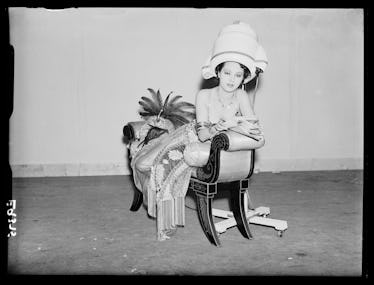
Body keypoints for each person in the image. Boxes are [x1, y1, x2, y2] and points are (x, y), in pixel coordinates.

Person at [129, 21, 268, 241]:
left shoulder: (241, 96)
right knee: (142, 164)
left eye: (238, 75)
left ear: (243, 78)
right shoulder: (205, 96)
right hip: (189, 136)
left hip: (207, 143)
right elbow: (203, 134)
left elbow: (253, 126)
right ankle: (154, 203)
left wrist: (231, 125)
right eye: (227, 73)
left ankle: (166, 218)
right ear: (218, 73)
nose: (232, 80)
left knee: (153, 166)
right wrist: (225, 125)